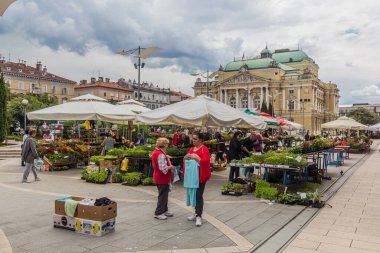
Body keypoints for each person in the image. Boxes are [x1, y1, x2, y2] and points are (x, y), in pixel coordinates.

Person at [184, 132, 211, 227]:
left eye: (195, 139)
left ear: (200, 140)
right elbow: (187, 160)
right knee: (194, 195)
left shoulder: (204, 149)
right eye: (193, 139)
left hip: (200, 176)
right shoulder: (191, 149)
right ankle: (196, 213)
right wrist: (186, 158)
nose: (193, 140)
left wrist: (196, 158)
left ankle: (199, 216)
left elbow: (206, 162)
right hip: (192, 176)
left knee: (199, 195)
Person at [152, 138, 176, 220]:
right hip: (162, 178)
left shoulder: (157, 152)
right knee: (163, 195)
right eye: (167, 144)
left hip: (159, 177)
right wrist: (171, 167)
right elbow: (163, 168)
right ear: (164, 145)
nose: (167, 146)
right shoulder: (160, 154)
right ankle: (158, 213)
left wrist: (166, 157)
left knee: (164, 195)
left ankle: (164, 210)